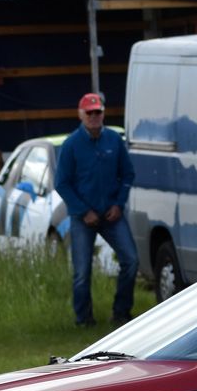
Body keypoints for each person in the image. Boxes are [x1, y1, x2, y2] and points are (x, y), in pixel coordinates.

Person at [53, 92, 138, 328]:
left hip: (112, 214)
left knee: (131, 260)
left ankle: (121, 312)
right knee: (82, 271)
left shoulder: (113, 140)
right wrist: (83, 211)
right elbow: (61, 183)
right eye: (89, 112)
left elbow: (128, 174)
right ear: (81, 115)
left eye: (97, 112)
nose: (93, 116)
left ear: (103, 113)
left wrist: (119, 204)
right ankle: (84, 319)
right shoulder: (71, 144)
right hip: (83, 218)